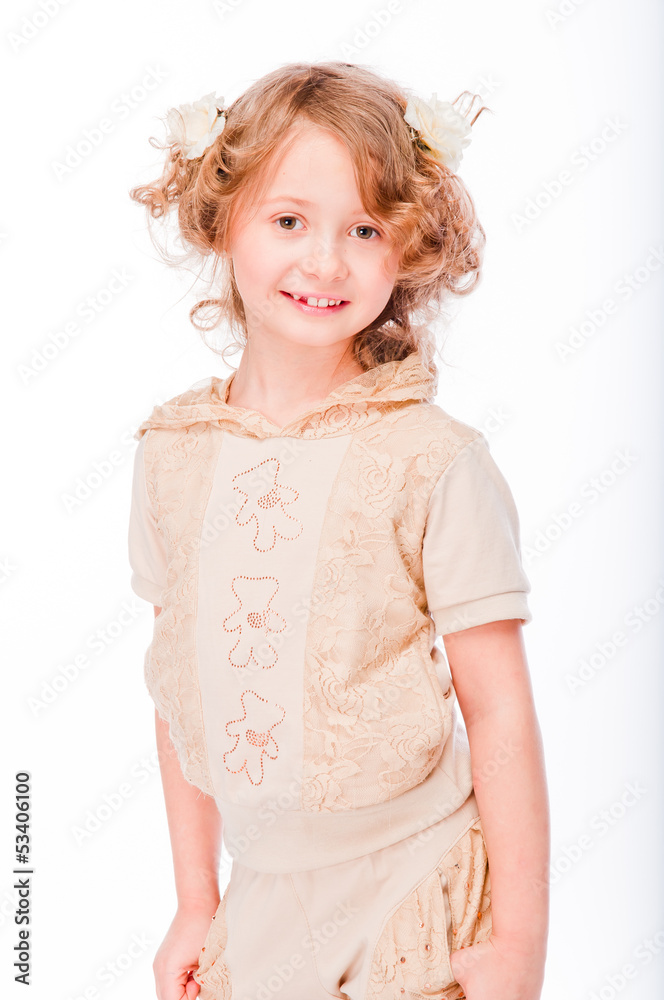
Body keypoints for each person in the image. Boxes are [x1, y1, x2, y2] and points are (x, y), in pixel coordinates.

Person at [127, 61, 549, 1000]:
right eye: (289, 221)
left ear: (408, 246)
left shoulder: (431, 458)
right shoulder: (173, 453)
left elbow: (499, 710)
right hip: (263, 903)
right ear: (222, 220)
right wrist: (195, 900)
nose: (325, 262)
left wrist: (520, 940)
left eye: (364, 229)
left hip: (416, 882)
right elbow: (179, 692)